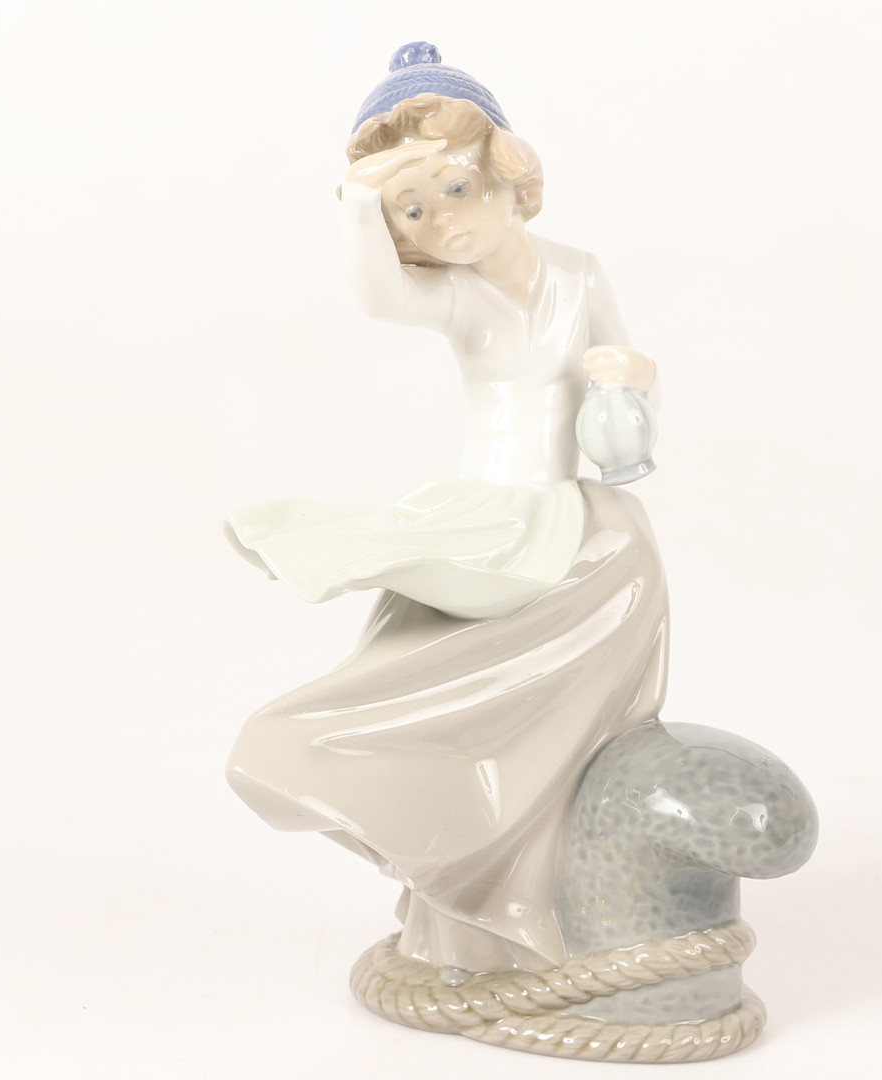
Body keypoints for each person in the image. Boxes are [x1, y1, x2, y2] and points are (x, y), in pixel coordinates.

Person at [224, 43, 669, 974]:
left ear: (508, 174)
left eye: (458, 189)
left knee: (610, 616)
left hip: (569, 513)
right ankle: (409, 816)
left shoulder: (581, 273)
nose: (446, 222)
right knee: (427, 665)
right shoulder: (453, 295)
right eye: (415, 211)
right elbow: (379, 296)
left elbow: (621, 427)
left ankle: (545, 854)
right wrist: (361, 203)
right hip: (492, 512)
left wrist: (627, 383)